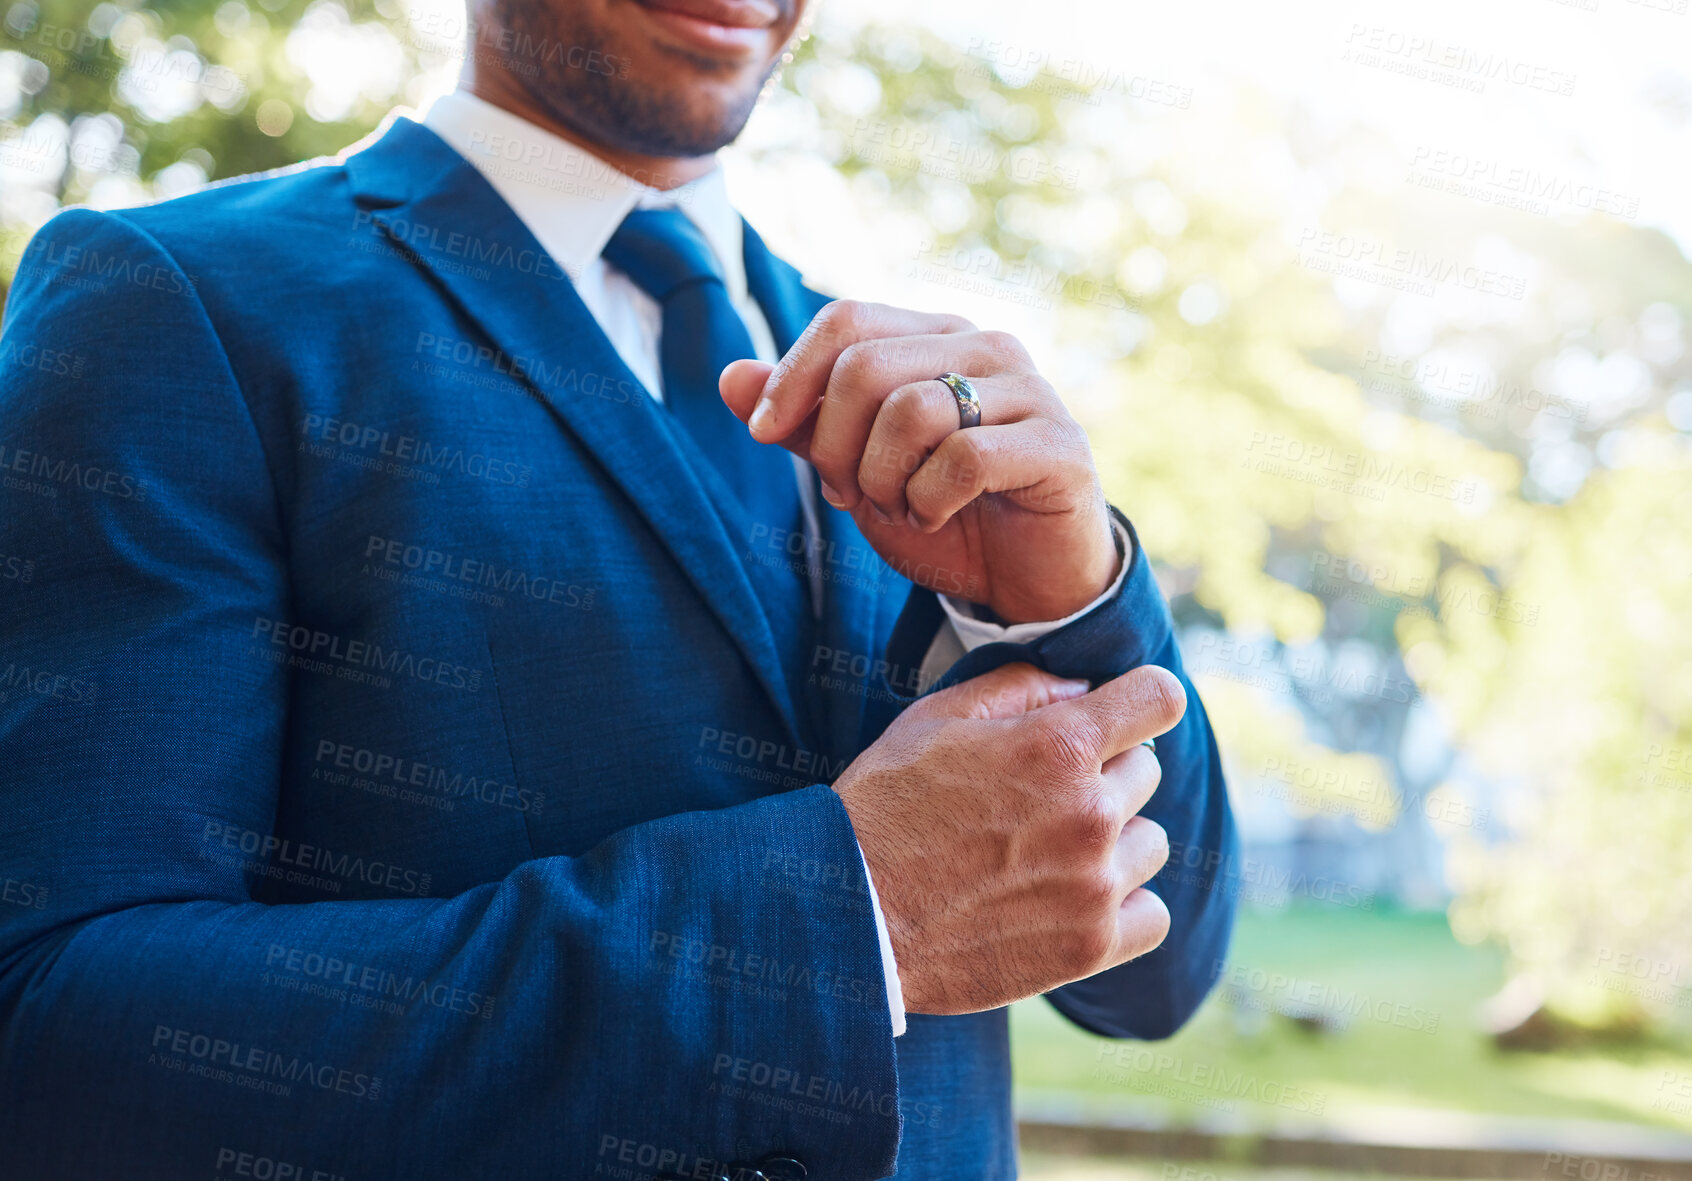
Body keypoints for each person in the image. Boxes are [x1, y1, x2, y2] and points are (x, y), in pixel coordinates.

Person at [0, 0, 1238, 1174]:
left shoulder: (907, 390)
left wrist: (1067, 605)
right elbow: (54, 1033)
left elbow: (1153, 972)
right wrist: (852, 925)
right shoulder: (173, 305)